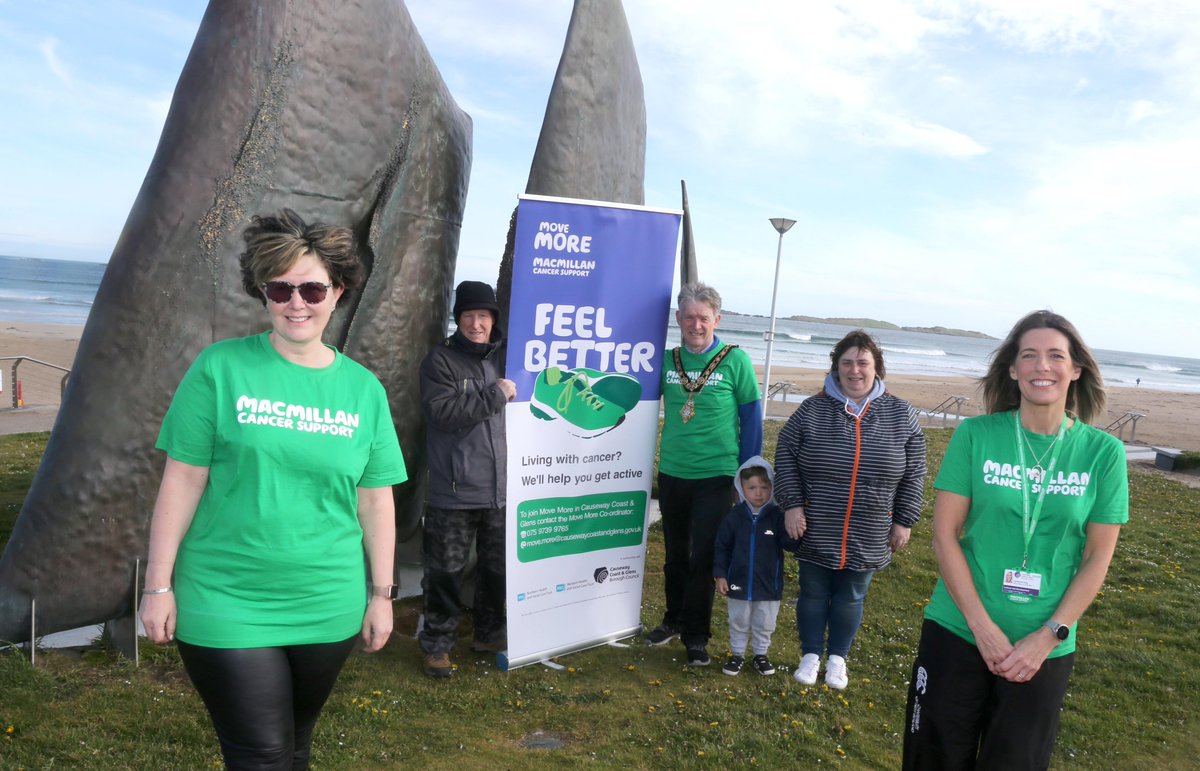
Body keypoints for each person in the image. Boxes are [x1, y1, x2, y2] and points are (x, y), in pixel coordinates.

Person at [139, 209, 407, 769]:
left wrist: (381, 595)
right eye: (280, 289)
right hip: (225, 593)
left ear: (338, 292)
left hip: (325, 600)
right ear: (263, 294)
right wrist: (157, 585)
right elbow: (183, 480)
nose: (296, 303)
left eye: (312, 288)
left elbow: (375, 499)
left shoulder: (364, 391)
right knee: (261, 754)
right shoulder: (219, 369)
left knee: (293, 745)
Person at [902, 310, 1129, 770]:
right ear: (1012, 369)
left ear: (1075, 369)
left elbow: (1097, 558)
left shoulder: (1103, 453)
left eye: (1054, 355)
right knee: (934, 759)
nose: (1041, 366)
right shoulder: (976, 435)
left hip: (1043, 644)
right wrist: (983, 629)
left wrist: (1047, 637)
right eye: (1029, 355)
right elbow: (944, 537)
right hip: (958, 630)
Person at [775, 329, 926, 690]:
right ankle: (811, 655)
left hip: (871, 526)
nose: (854, 370)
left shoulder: (901, 414)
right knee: (812, 591)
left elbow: (916, 470)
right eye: (847, 363)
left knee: (852, 594)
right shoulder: (812, 410)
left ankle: (838, 658)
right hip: (816, 521)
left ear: (876, 368)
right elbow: (785, 455)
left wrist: (904, 520)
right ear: (836, 367)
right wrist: (792, 505)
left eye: (863, 363)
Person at [647, 282, 762, 666]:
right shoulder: (667, 359)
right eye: (689, 317)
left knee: (704, 556)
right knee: (676, 553)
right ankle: (673, 619)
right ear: (678, 319)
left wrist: (749, 475)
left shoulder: (735, 360)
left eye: (704, 317)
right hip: (674, 472)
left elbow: (751, 417)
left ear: (717, 319)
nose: (696, 325)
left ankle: (696, 635)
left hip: (717, 475)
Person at [417, 280, 516, 678]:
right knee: (444, 573)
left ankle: (489, 633)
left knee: (497, 571)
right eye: (469, 316)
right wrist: (494, 395)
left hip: (501, 490)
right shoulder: (439, 361)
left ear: (494, 319)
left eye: (484, 316)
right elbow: (441, 413)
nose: (477, 324)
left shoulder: (507, 357)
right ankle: (437, 645)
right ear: (458, 320)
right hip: (453, 491)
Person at [713, 456, 792, 677]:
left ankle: (761, 655)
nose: (758, 493)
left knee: (765, 622)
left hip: (768, 585)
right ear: (741, 489)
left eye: (764, 487)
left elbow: (789, 543)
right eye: (752, 487)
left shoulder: (777, 518)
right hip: (737, 583)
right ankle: (737, 654)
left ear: (772, 488)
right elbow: (722, 548)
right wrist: (720, 575)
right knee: (738, 620)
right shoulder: (733, 518)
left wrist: (798, 532)